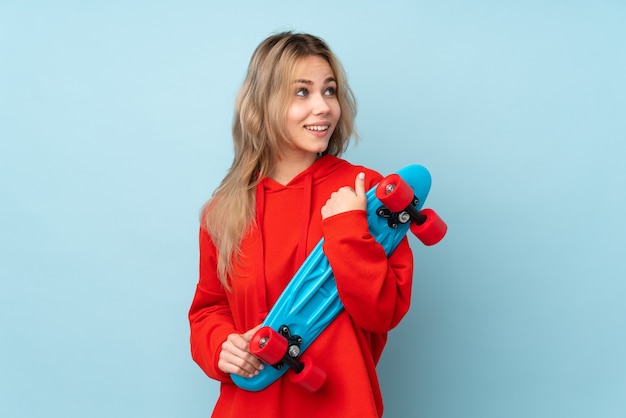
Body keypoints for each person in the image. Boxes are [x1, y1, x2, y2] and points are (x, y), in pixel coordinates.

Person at [188, 31, 414, 418]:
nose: (323, 107)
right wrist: (220, 345)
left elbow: (383, 312)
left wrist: (346, 229)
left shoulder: (364, 190)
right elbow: (209, 309)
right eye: (302, 92)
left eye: (329, 91)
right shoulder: (224, 211)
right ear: (263, 104)